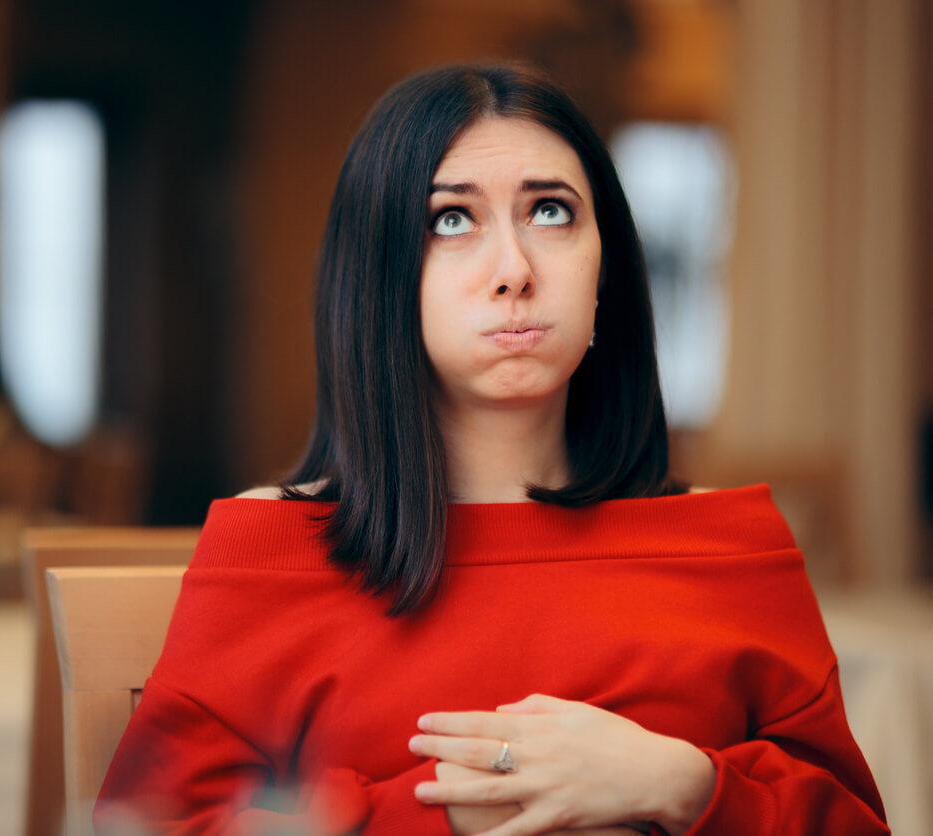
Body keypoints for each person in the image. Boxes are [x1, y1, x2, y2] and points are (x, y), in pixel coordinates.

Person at [96, 63, 889, 836]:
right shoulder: (270, 553)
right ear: (379, 276)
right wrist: (451, 810)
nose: (513, 270)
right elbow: (152, 826)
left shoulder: (732, 551)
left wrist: (681, 784)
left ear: (605, 264)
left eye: (550, 212)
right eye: (450, 219)